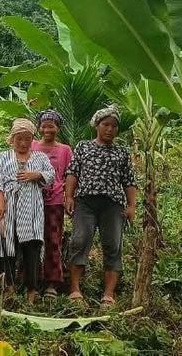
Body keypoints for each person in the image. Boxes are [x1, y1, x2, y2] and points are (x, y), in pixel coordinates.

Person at [65, 105, 137, 306]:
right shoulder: (83, 147)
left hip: (113, 205)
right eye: (106, 124)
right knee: (80, 241)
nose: (110, 129)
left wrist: (132, 206)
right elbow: (73, 173)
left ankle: (108, 295)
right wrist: (69, 197)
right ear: (97, 125)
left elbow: (129, 181)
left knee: (113, 246)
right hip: (85, 202)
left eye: (114, 126)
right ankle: (75, 290)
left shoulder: (122, 152)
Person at [0, 118, 55, 304]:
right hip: (8, 204)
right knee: (5, 243)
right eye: (19, 139)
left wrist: (36, 175)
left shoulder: (40, 158)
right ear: (12, 139)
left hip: (31, 204)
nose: (23, 143)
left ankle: (32, 290)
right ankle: (7, 286)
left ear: (32, 139)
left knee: (31, 245)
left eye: (27, 139)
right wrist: (0, 201)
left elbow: (51, 175)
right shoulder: (3, 157)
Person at [31, 110, 73, 298]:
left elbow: (70, 176)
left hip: (54, 200)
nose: (47, 129)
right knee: (30, 239)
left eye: (51, 125)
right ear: (39, 127)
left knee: (53, 240)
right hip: (31, 199)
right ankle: (30, 278)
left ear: (58, 127)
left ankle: (52, 283)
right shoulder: (31, 146)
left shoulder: (65, 150)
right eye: (44, 125)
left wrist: (71, 197)